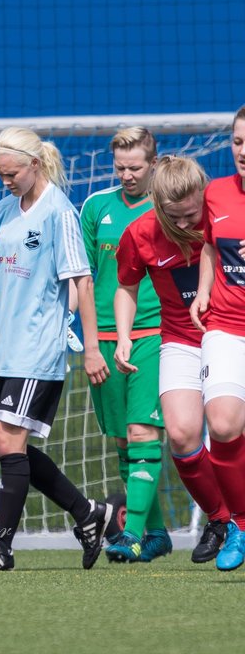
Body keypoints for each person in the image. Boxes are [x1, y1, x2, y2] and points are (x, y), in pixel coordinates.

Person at [0, 126, 113, 572]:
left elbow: (83, 282)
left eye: (11, 173)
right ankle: (88, 514)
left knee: (10, 439)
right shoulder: (3, 212)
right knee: (2, 445)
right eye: (0, 175)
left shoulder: (60, 213)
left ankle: (1, 549)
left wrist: (91, 348)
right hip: (7, 349)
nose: (6, 181)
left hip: (40, 348)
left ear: (35, 165)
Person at [114, 155, 231, 564]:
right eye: (172, 217)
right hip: (180, 338)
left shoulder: (226, 217)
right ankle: (221, 520)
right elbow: (126, 287)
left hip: (231, 333)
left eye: (190, 215)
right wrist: (124, 336)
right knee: (181, 434)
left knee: (226, 428)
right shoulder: (140, 233)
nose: (183, 226)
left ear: (204, 195)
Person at [79, 127, 171, 563]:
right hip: (104, 340)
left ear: (154, 163)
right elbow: (82, 279)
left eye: (135, 167)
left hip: (156, 332)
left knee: (143, 432)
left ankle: (131, 534)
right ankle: (156, 533)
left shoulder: (170, 206)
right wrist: (90, 343)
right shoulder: (96, 207)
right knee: (122, 440)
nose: (127, 175)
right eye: (120, 168)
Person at [189, 105, 245, 569]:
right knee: (223, 425)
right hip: (226, 325)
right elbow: (209, 244)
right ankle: (240, 526)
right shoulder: (216, 193)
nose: (243, 151)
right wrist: (204, 291)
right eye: (238, 141)